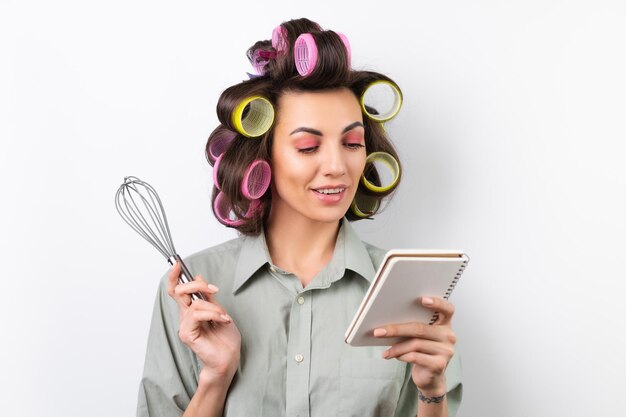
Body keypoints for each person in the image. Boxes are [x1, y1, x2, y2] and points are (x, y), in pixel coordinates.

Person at [136, 17, 462, 417]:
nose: (337, 166)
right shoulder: (194, 294)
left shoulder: (405, 291)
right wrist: (216, 377)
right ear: (262, 157)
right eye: (308, 147)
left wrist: (432, 392)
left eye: (352, 142)